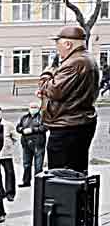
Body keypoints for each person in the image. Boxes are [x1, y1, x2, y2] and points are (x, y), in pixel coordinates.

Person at [39, 25, 99, 174]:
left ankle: (64, 198)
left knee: (61, 176)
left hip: (68, 127)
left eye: (57, 43)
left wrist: (47, 74)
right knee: (76, 172)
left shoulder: (75, 62)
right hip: (77, 123)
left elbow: (54, 90)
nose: (57, 48)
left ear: (68, 44)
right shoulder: (86, 59)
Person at [0, 106, 20, 201]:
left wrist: (10, 147)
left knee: (10, 173)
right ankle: (0, 192)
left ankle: (10, 193)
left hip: (6, 154)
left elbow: (15, 138)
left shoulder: (8, 125)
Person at [16, 100, 48, 187]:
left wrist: (33, 130)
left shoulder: (41, 117)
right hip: (26, 144)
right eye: (31, 107)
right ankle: (26, 181)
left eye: (35, 107)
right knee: (26, 164)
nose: (33, 109)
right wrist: (22, 130)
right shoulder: (24, 117)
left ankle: (39, 184)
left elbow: (45, 127)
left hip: (38, 143)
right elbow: (18, 127)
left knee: (38, 166)